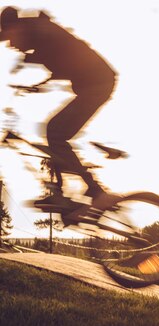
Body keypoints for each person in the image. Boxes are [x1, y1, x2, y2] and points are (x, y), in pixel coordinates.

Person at [0, 6, 117, 208]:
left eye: (10, 39)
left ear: (17, 28)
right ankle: (65, 192)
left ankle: (94, 191)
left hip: (99, 83)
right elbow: (62, 61)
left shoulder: (43, 33)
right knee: (54, 133)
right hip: (92, 84)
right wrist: (38, 84)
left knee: (54, 131)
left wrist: (35, 68)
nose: (11, 46)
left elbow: (65, 55)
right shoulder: (37, 36)